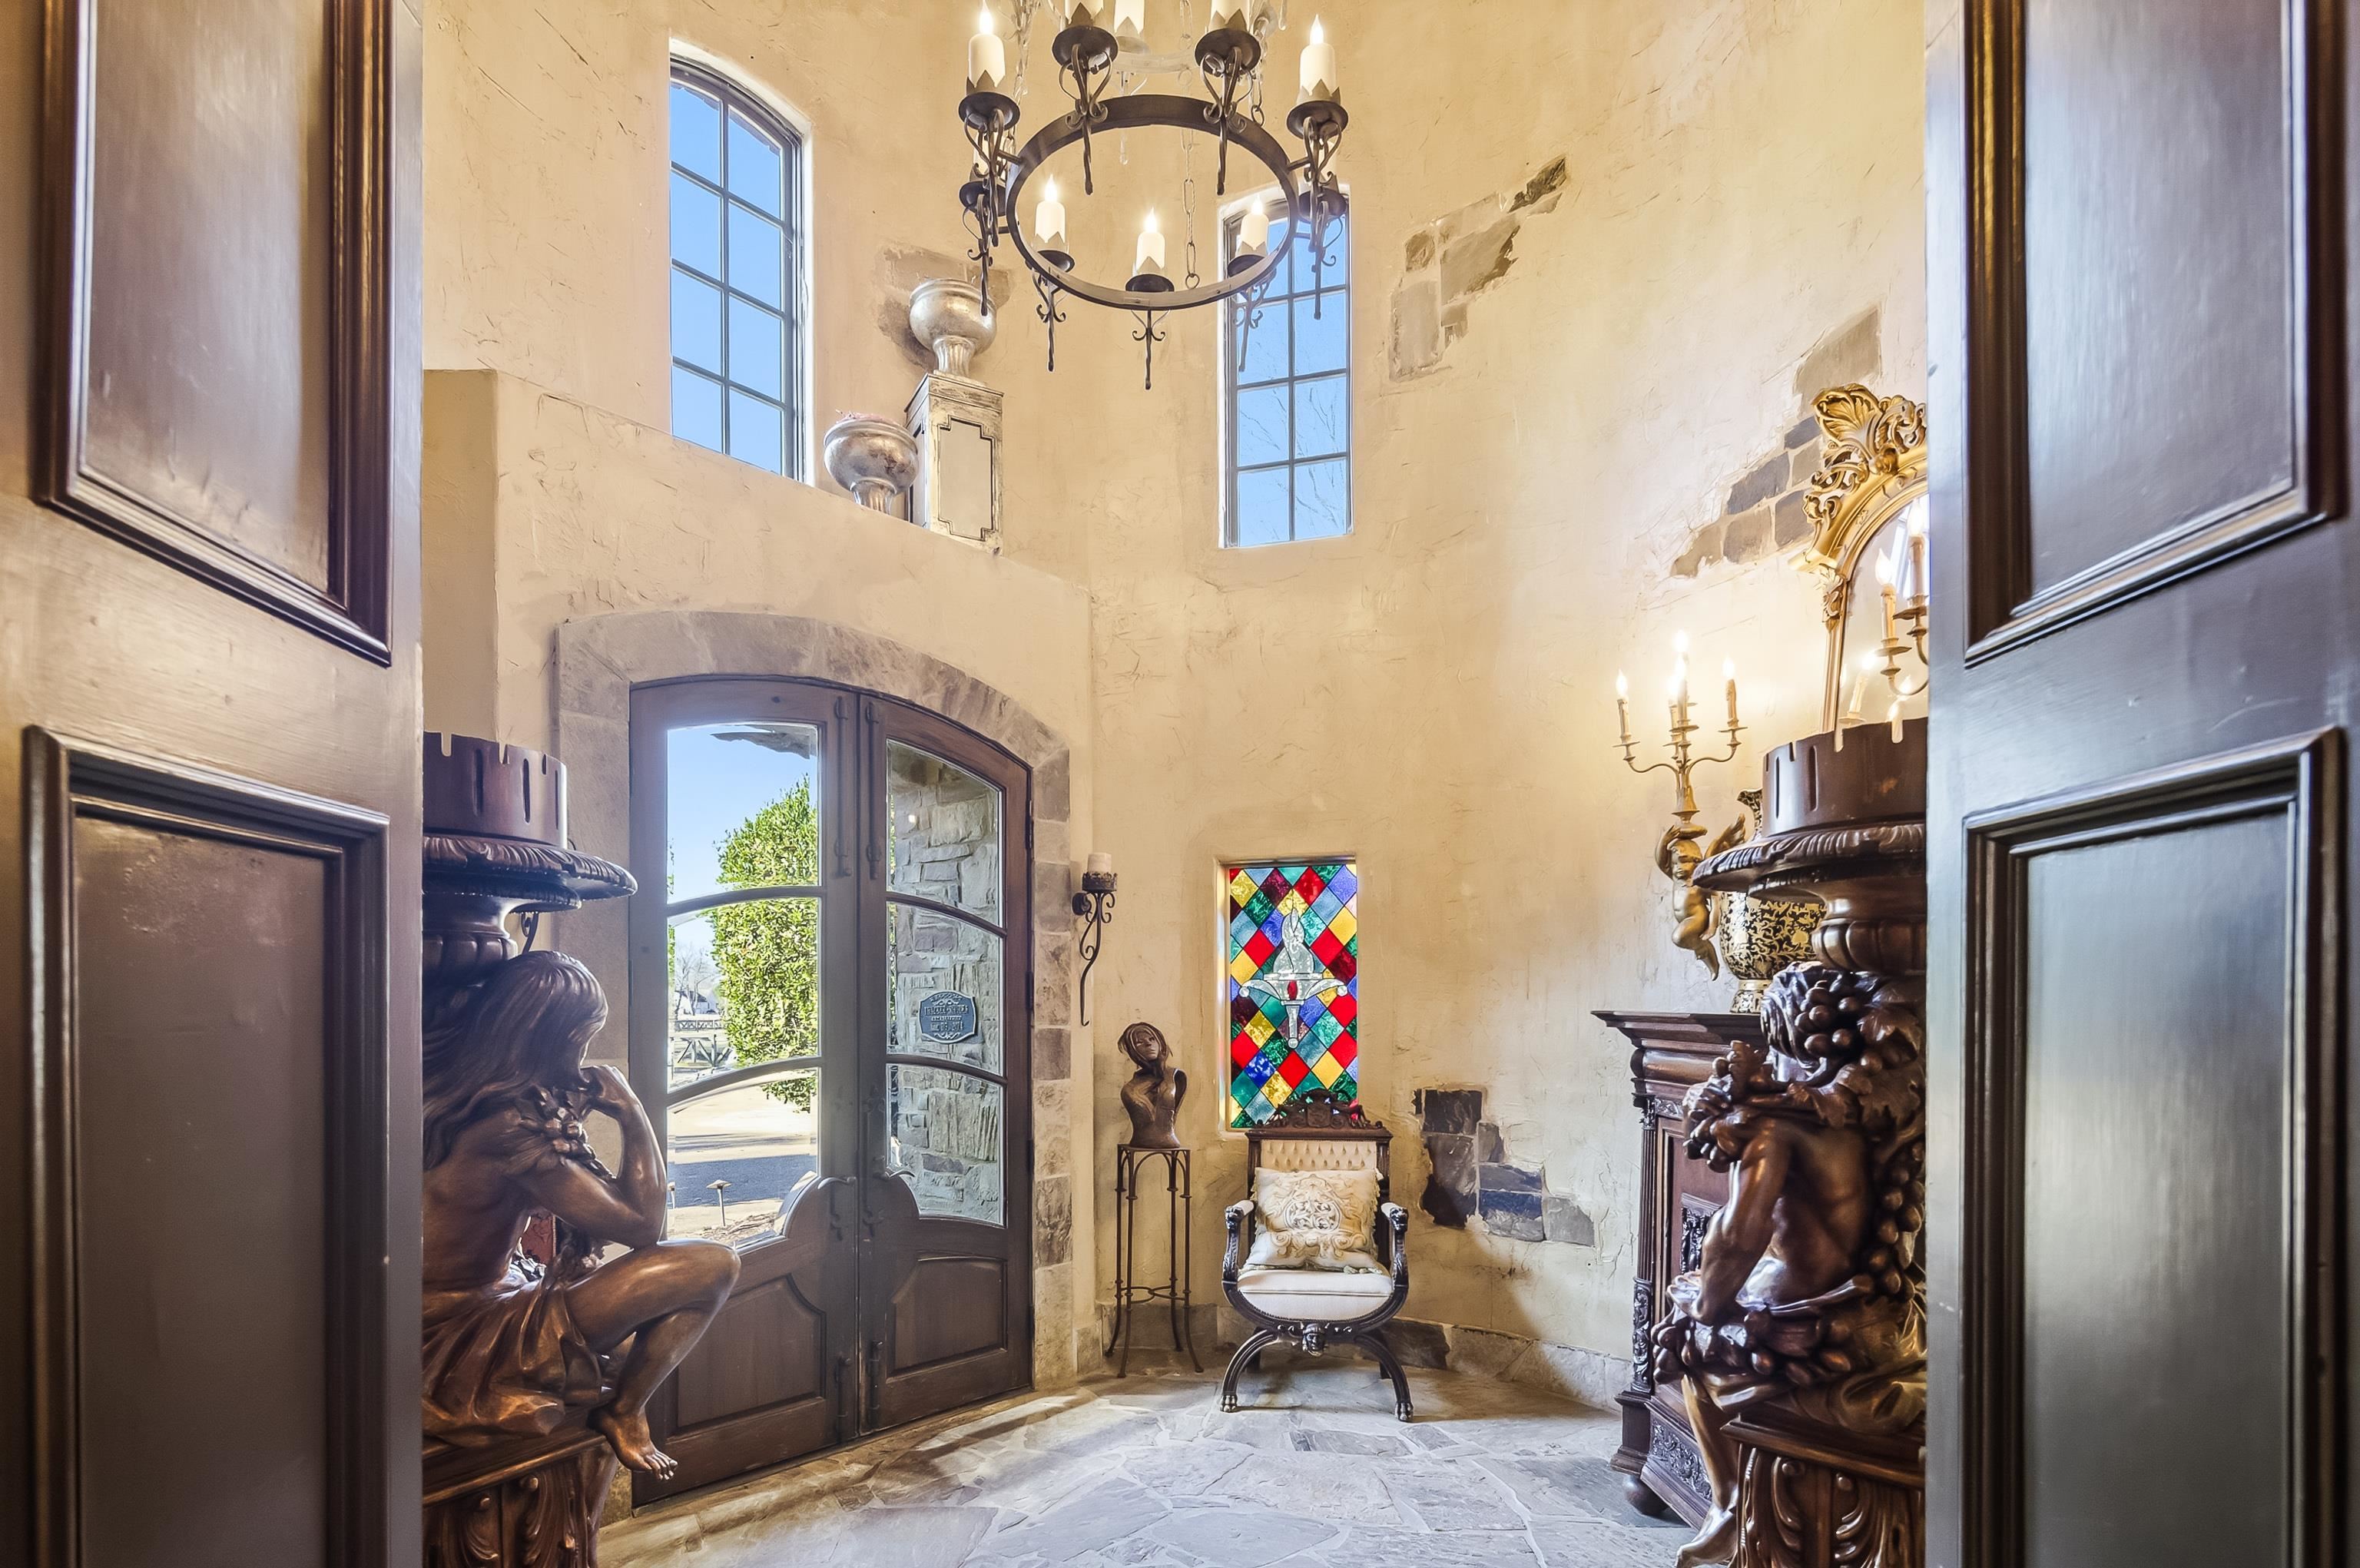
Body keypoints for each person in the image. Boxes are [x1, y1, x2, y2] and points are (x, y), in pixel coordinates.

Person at [422, 950, 738, 1477]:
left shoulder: (458, 1097)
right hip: (458, 1336)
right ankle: (626, 1410)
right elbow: (642, 1226)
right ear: (544, 1037)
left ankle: (617, 1401)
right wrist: (632, 1112)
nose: (584, 1054)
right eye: (580, 1038)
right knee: (712, 1267)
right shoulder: (509, 1128)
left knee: (611, 1344)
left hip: (445, 1306)